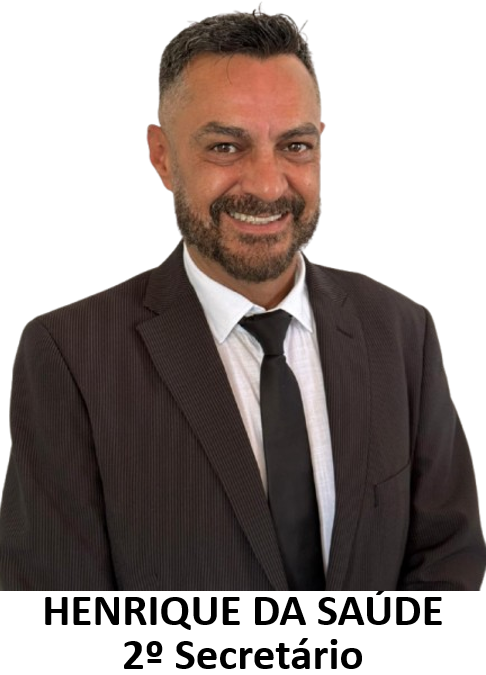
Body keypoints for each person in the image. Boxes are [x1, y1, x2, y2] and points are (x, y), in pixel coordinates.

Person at [0, 10, 484, 591]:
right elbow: (55, 611)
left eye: (295, 145)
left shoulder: (401, 330)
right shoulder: (72, 356)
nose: (268, 184)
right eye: (226, 146)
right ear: (162, 156)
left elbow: (447, 560)